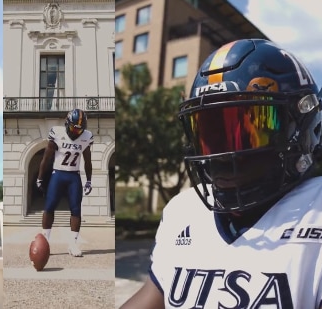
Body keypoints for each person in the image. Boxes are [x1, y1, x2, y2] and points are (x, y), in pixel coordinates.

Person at [120, 38, 322, 308]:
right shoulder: (183, 211)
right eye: (210, 135)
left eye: (249, 132)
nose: (222, 158)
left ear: (302, 128)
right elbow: (153, 298)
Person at [36, 108, 93, 257]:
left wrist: (89, 180)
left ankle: (73, 244)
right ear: (67, 124)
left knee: (76, 210)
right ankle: (45, 242)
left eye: (80, 129)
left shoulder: (86, 137)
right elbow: (46, 158)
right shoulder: (57, 132)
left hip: (74, 176)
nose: (76, 132)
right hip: (58, 174)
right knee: (49, 207)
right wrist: (40, 177)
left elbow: (88, 160)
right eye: (74, 127)